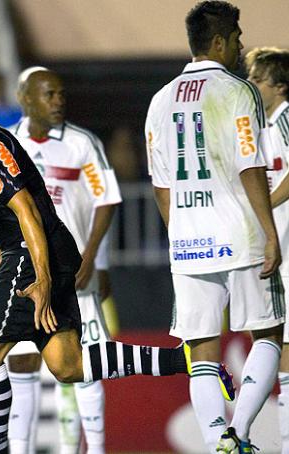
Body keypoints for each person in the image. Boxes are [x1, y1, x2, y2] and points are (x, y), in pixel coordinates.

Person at [0, 57, 226, 454]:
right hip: (45, 250)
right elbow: (4, 209)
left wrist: (40, 278)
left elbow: (26, 209)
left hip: (34, 253)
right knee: (68, 365)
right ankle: (186, 361)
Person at [0, 66, 121, 454]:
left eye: (61, 93)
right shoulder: (4, 143)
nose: (59, 100)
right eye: (50, 94)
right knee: (23, 364)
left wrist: (97, 259)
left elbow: (106, 199)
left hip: (73, 264)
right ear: (26, 98)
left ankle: (95, 449)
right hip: (27, 268)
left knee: (81, 363)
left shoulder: (82, 143)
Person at [145, 2, 285, 452]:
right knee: (269, 334)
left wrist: (178, 234)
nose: (243, 46)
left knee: (202, 351)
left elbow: (161, 186)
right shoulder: (237, 91)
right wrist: (269, 232)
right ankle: (239, 433)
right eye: (238, 37)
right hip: (239, 235)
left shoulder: (160, 99)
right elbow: (250, 165)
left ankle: (215, 444)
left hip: (187, 241)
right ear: (220, 42)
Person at [245, 46, 289, 454]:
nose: (252, 86)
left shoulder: (287, 116)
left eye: (257, 80)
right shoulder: (266, 124)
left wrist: (266, 205)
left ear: (279, 86)